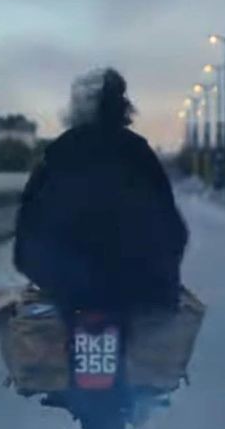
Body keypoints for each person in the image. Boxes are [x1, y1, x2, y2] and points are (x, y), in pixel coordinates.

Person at [14, 68, 188, 313]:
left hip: (68, 289)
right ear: (122, 107)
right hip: (137, 291)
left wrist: (43, 273)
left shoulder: (59, 151)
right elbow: (172, 225)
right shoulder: (138, 152)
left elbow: (28, 218)